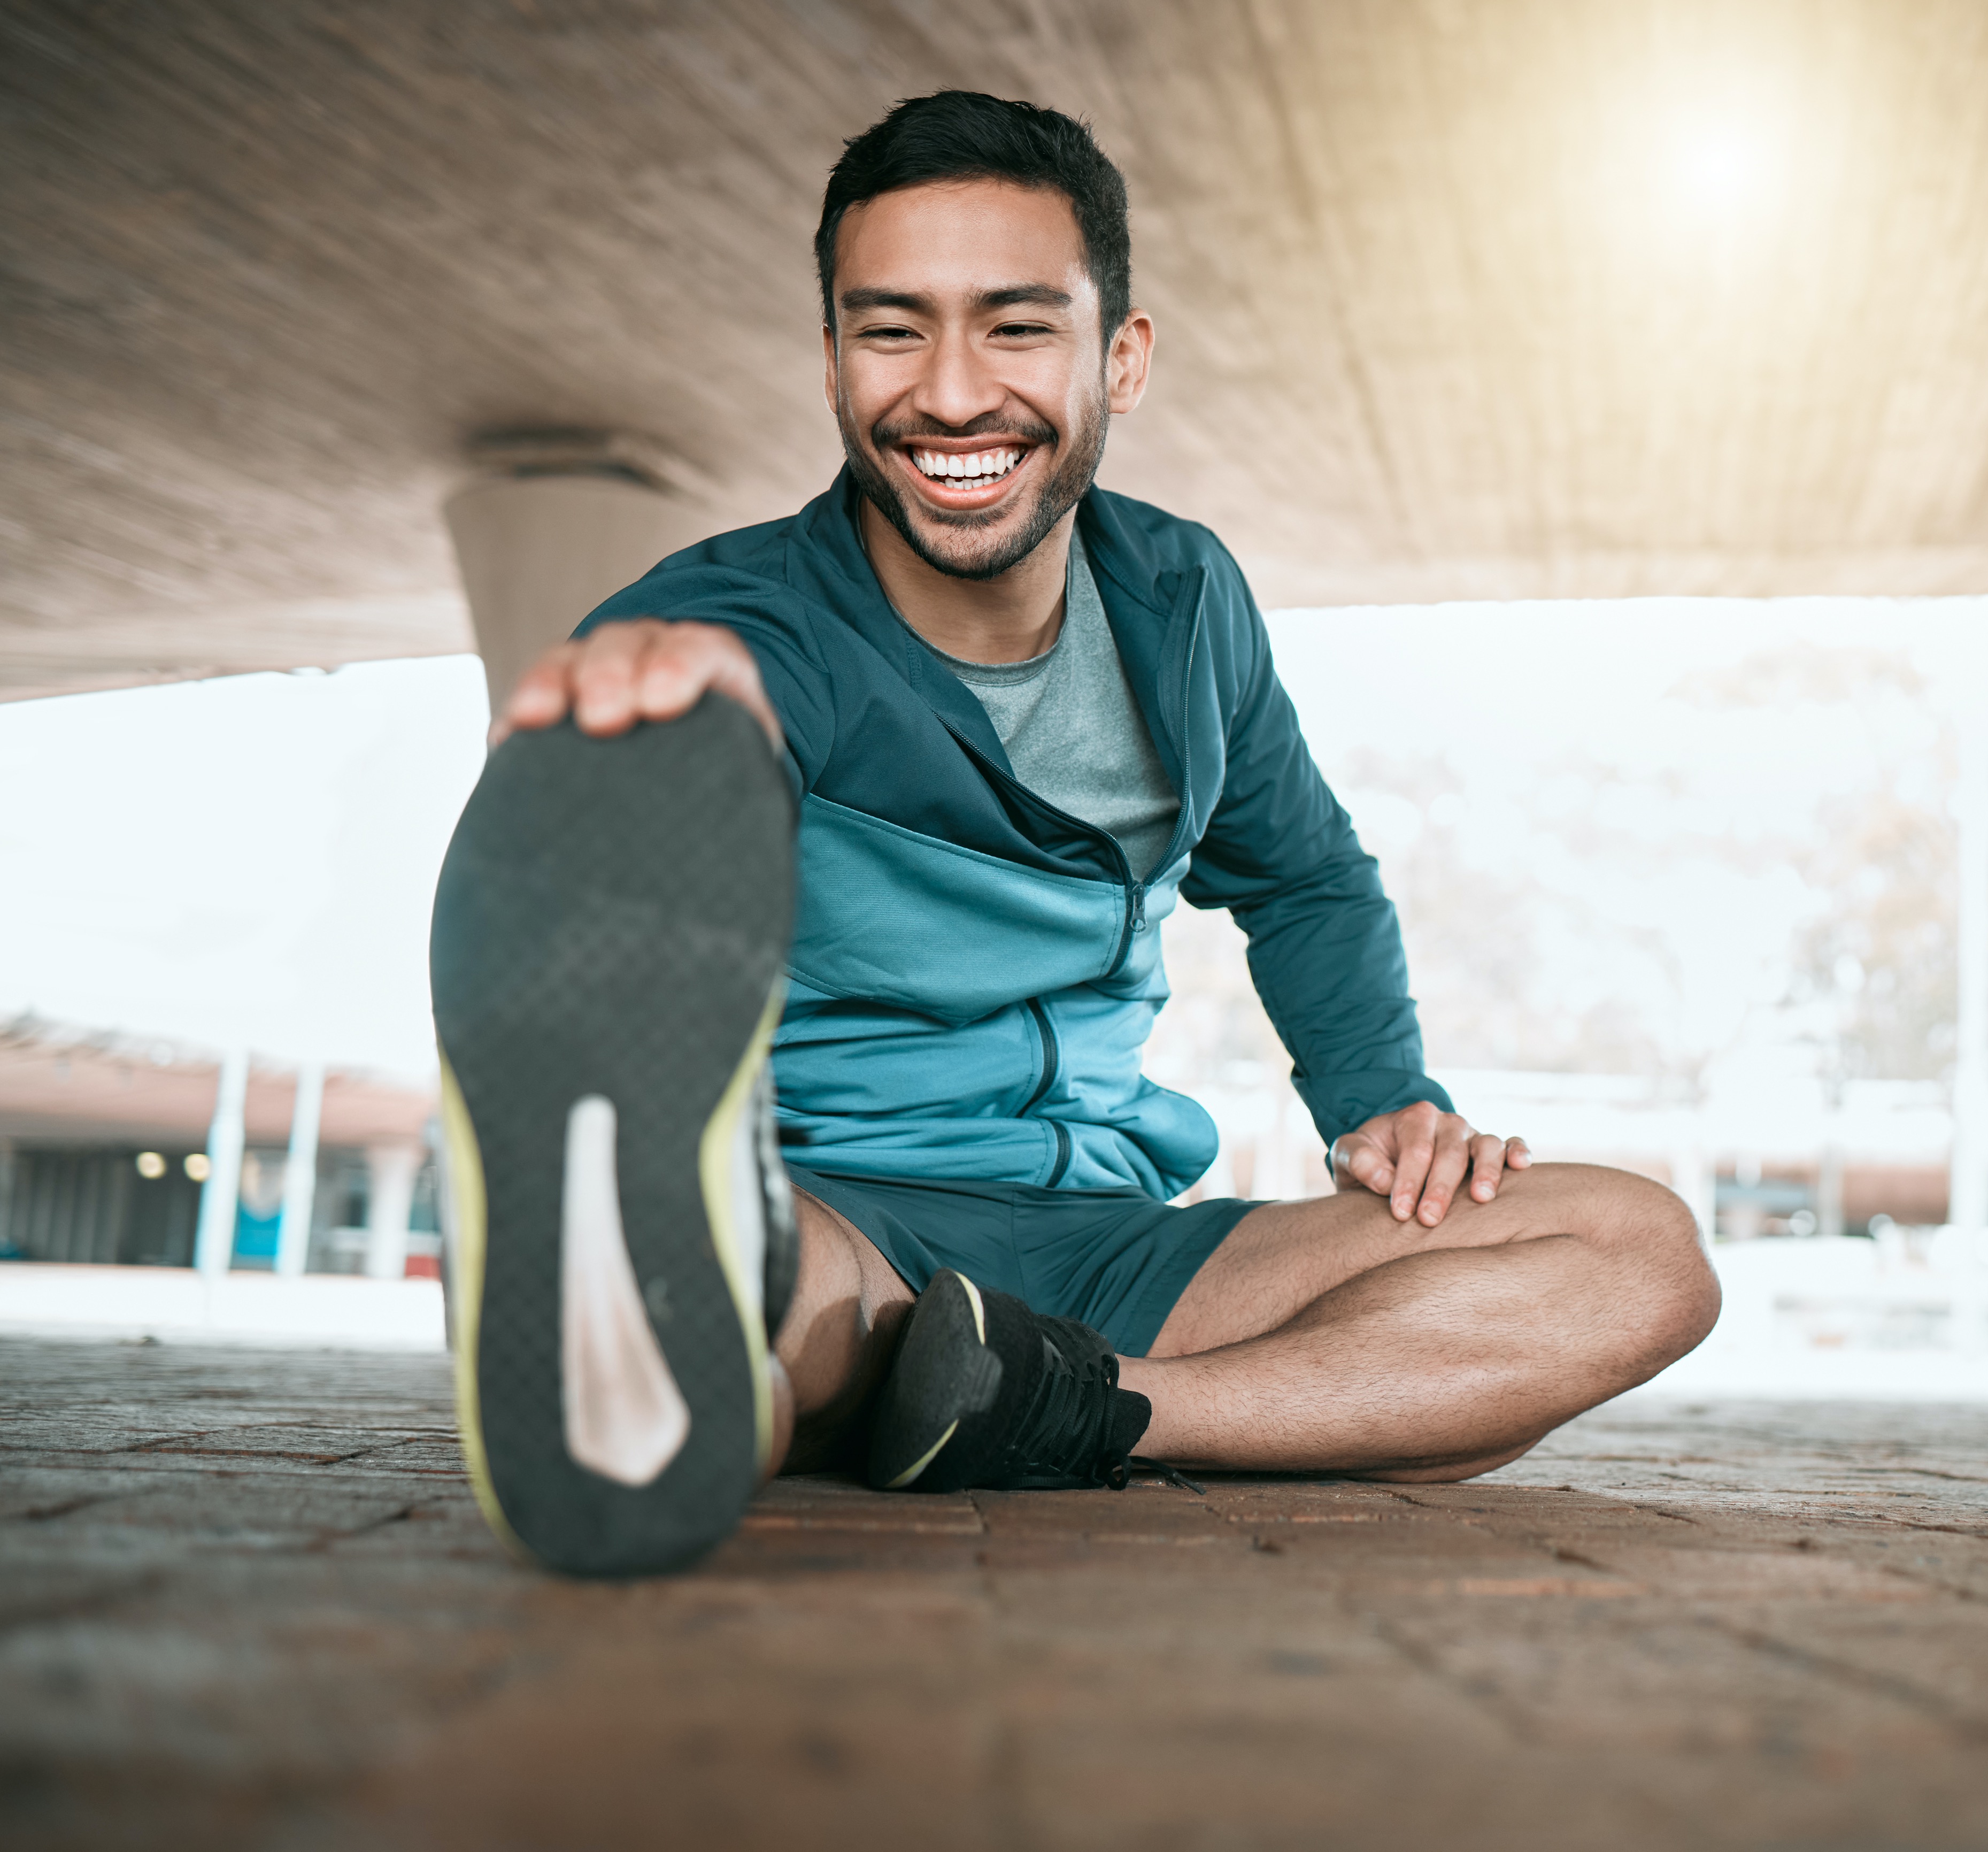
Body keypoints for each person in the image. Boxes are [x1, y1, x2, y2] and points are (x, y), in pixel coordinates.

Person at [428, 91, 1719, 1579]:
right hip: (842, 1219)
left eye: (1017, 327)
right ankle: (708, 1342)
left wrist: (1381, 1101)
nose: (952, 393)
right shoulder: (741, 629)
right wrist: (658, 742)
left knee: (1638, 1257)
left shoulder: (1184, 602)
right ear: (836, 361)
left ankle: (1057, 1405)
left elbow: (1302, 874)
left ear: (1124, 356)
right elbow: (618, 833)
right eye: (891, 329)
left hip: (1118, 1247)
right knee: (766, 1308)